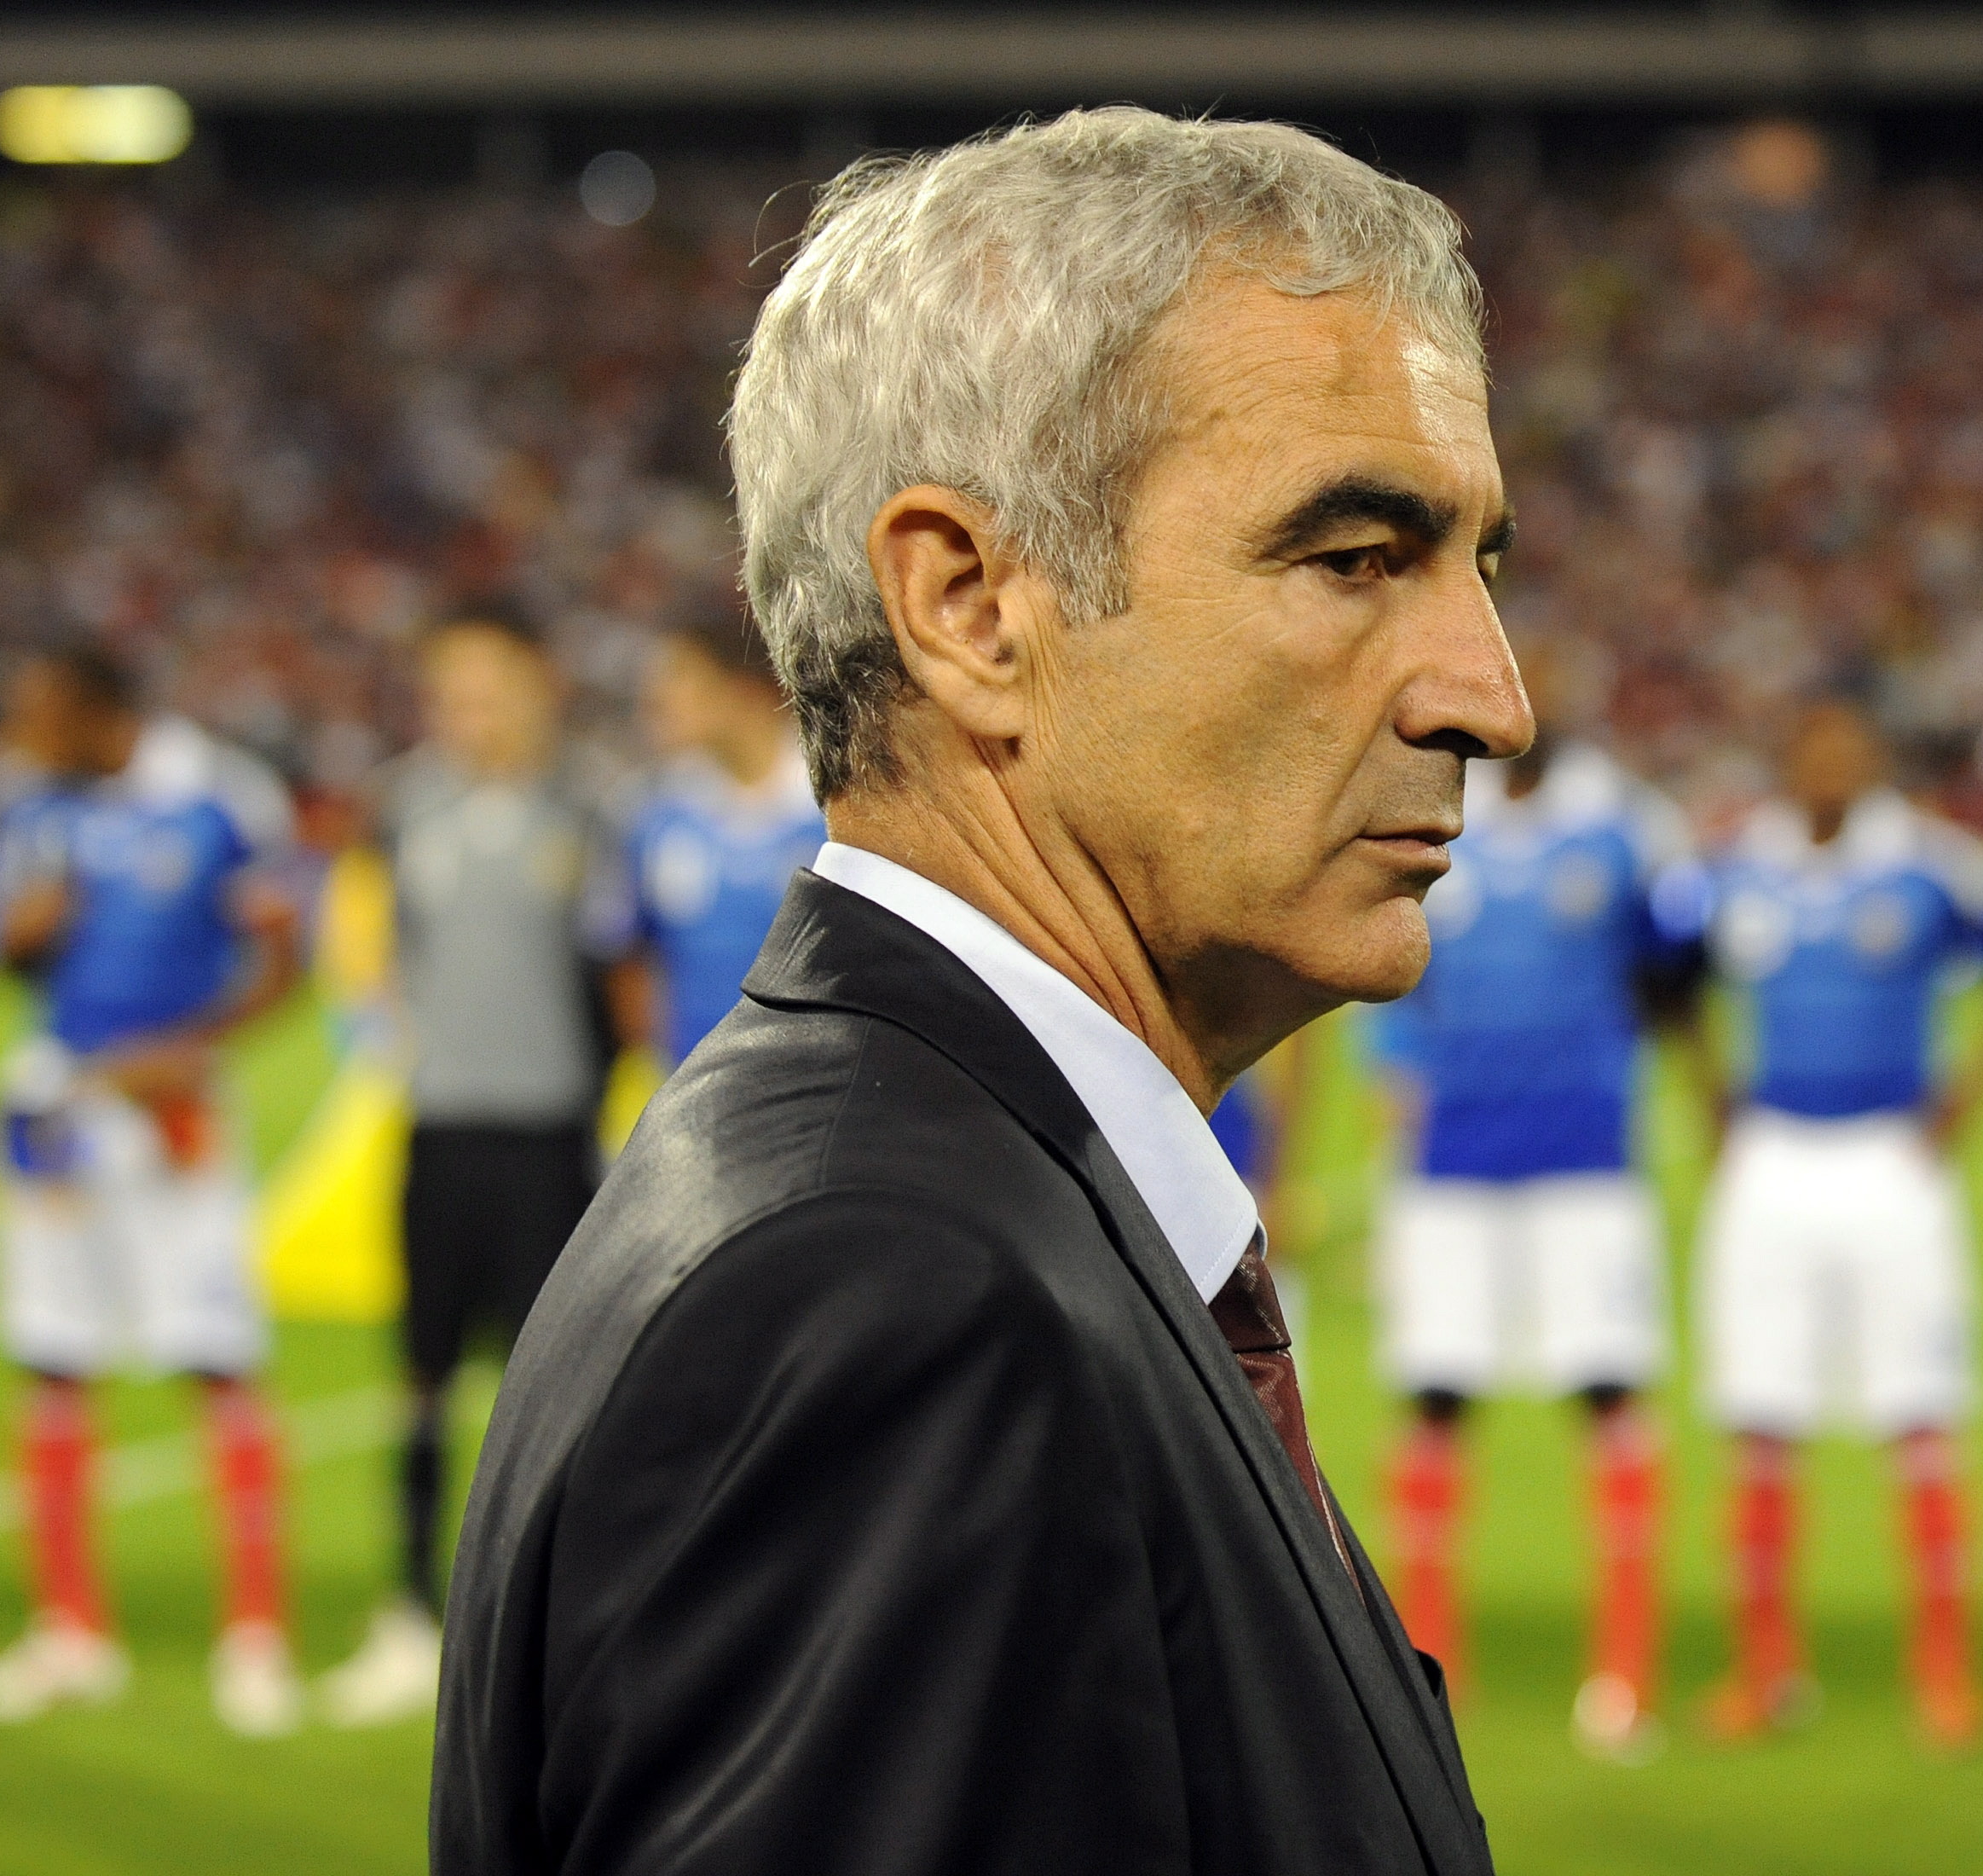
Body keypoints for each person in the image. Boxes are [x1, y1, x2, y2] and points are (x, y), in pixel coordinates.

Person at [434, 111, 1524, 1874]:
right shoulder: (894, 1295)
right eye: (1355, 556)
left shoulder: (952, 1194)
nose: (1491, 694)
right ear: (969, 606)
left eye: (1485, 565)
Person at [0, 646, 306, 1735]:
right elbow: (13, 955)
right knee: (50, 1351)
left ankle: (255, 1632)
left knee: (214, 1355)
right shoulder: (38, 808)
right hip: (56, 1101)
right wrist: (19, 941)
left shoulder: (218, 795)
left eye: (38, 710)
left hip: (173, 1114)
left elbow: (287, 958)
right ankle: (71, 1630)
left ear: (97, 709)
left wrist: (194, 1049)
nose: (22, 734)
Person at [1366, 640, 1702, 1761]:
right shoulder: (1425, 809)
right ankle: (1423, 1672)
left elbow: (1678, 968)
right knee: (1437, 1401)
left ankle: (1623, 1676)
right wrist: (1393, 1095)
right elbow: (1385, 973)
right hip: (1451, 1164)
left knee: (1608, 1396)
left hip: (1585, 1165)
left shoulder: (1628, 825)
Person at [1692, 697, 1983, 1752]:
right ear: (1791, 758)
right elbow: (1660, 973)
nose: (1833, 766)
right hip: (1770, 1161)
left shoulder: (1932, 862)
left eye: (1852, 749)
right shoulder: (1731, 865)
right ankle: (1763, 1672)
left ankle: (1943, 1674)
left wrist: (1968, 1097)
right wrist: (1707, 1086)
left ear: (1876, 762)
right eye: (1816, 748)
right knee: (1761, 1420)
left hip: (1896, 1162)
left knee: (1922, 1417)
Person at [315, 608, 613, 1728]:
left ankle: (548, 1629)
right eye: (450, 687)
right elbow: (375, 953)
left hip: (550, 1141)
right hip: (440, 1135)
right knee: (422, 1378)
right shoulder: (405, 807)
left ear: (537, 685)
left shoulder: (589, 810)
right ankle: (405, 1609)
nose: (466, 708)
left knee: (551, 1396)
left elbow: (615, 979)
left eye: (488, 684)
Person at [599, 606, 823, 1068]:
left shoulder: (831, 807)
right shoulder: (655, 814)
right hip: (693, 1084)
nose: (658, 696)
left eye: (679, 677)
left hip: (810, 1080)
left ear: (742, 689)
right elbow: (627, 953)